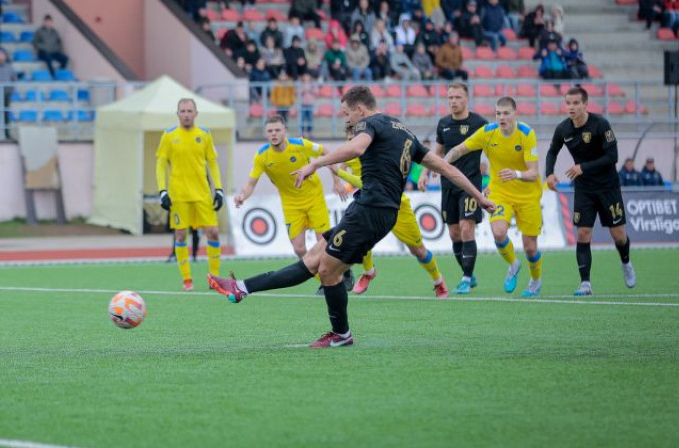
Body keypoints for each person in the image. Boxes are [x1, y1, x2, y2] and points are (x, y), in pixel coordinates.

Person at [208, 86, 494, 348]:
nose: (345, 119)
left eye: (346, 113)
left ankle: (341, 334)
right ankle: (242, 287)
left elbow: (356, 148)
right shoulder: (404, 132)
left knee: (326, 271)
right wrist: (479, 196)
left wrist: (316, 163)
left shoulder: (370, 123)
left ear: (360, 110)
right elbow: (447, 168)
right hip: (371, 209)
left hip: (371, 210)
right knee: (313, 260)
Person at [444, 97, 544, 297]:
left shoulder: (526, 134)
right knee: (499, 233)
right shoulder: (488, 132)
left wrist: (516, 174)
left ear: (515, 114)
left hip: (528, 195)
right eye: (498, 113)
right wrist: (444, 162)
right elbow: (460, 149)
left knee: (530, 247)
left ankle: (535, 280)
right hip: (499, 193)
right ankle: (514, 264)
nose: (501, 117)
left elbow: (533, 172)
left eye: (506, 113)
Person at [338, 125, 450, 299]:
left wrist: (339, 173)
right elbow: (342, 169)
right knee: (359, 239)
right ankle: (369, 272)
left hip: (393, 202)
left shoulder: (378, 149)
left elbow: (367, 182)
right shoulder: (348, 150)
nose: (354, 139)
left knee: (418, 250)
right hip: (368, 203)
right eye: (351, 136)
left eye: (357, 135)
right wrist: (339, 183)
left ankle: (437, 280)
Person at [545, 87, 637, 296]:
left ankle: (626, 262)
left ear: (585, 104)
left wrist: (583, 167)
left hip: (608, 187)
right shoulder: (563, 129)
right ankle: (585, 283)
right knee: (584, 233)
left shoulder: (600, 124)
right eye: (568, 103)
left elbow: (612, 157)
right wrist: (549, 173)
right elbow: (552, 151)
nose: (572, 107)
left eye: (576, 103)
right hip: (584, 189)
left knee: (619, 235)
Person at [235, 115, 347, 261]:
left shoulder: (300, 145)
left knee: (323, 244)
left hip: (314, 197)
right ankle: (321, 276)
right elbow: (251, 183)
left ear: (285, 131)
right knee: (299, 249)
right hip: (290, 203)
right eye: (270, 131)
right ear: (265, 133)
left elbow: (326, 152)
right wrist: (242, 196)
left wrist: (336, 180)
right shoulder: (262, 156)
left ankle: (333, 277)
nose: (273, 134)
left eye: (277, 130)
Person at [418, 83, 488, 294]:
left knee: (467, 228)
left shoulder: (479, 123)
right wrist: (423, 173)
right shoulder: (444, 124)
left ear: (467, 99)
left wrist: (491, 180)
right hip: (448, 185)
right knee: (454, 234)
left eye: (457, 97)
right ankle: (469, 273)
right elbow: (435, 153)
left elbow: (493, 151)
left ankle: (466, 277)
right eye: (450, 98)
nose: (453, 102)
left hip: (471, 185)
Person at [156, 98, 225, 292]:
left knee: (212, 231)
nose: (186, 114)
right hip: (179, 195)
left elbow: (212, 162)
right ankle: (187, 280)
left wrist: (218, 189)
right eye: (183, 111)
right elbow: (161, 164)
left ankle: (215, 278)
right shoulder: (169, 136)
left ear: (196, 114)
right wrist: (162, 191)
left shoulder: (204, 134)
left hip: (202, 194)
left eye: (189, 111)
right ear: (177, 114)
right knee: (180, 234)